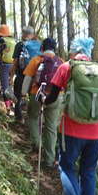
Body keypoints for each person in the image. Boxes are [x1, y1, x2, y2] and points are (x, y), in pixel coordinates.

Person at [44, 37, 98, 195]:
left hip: (72, 129)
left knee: (66, 166)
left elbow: (51, 98)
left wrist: (42, 98)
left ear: (73, 51)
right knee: (88, 172)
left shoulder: (67, 67)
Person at [21, 38, 63, 167]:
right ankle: (49, 159)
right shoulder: (61, 62)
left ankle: (37, 143)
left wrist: (23, 94)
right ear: (54, 49)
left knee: (33, 117)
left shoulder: (36, 60)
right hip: (57, 97)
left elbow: (27, 79)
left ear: (42, 48)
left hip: (37, 94)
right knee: (51, 127)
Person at [11, 26, 35, 123]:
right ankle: (32, 119)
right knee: (33, 98)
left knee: (18, 96)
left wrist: (11, 76)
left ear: (23, 34)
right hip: (34, 77)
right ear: (32, 35)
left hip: (21, 75)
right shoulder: (37, 45)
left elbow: (15, 62)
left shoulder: (19, 45)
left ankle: (19, 118)